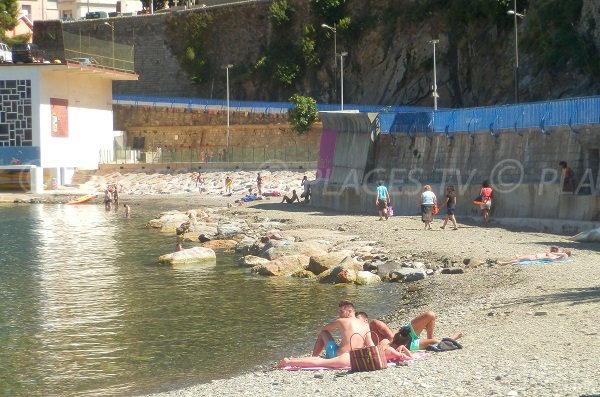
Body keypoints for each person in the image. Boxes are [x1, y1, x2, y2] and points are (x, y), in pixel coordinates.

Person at [277, 301, 373, 369]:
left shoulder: (341, 321)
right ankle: (308, 357)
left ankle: (291, 361)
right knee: (320, 358)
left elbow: (323, 329)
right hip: (355, 357)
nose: (339, 314)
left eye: (341, 311)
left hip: (339, 356)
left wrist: (318, 333)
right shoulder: (365, 325)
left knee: (319, 358)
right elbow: (371, 346)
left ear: (350, 311)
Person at [368, 311, 462, 352]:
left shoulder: (369, 329)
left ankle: (430, 338)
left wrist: (391, 337)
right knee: (438, 343)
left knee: (430, 315)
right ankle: (451, 337)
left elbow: (374, 322)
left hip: (404, 332)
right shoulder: (378, 344)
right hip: (408, 345)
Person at [496, 246, 572, 265]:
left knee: (519, 259)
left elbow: (553, 254)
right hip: (537, 257)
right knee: (520, 258)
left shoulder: (564, 255)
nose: (562, 251)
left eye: (563, 250)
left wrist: (551, 252)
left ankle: (503, 263)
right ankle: (504, 262)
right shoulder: (561, 258)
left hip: (536, 258)